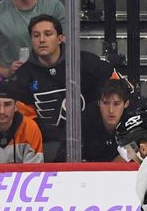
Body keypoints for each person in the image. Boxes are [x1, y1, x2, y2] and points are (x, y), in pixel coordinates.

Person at [14, 14, 120, 161]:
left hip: (93, 139)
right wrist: (60, 136)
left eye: (48, 34)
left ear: (60, 38)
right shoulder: (23, 76)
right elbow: (25, 120)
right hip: (48, 142)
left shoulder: (87, 63)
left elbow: (120, 92)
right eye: (36, 35)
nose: (42, 40)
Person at [82, 78, 131, 162]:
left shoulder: (133, 122)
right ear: (98, 103)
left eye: (116, 104)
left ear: (126, 104)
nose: (111, 110)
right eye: (105, 103)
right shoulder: (86, 119)